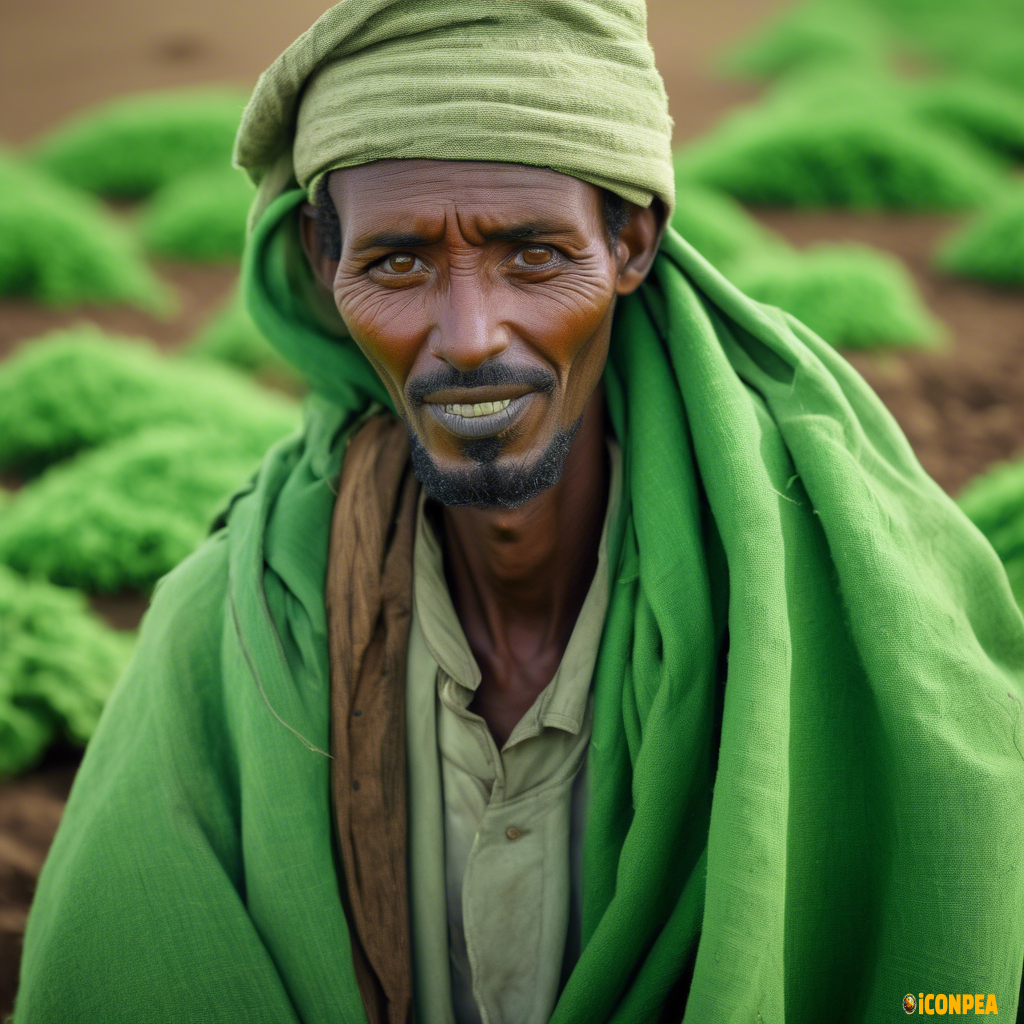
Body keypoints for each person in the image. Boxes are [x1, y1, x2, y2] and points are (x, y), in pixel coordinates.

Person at [14, 2, 1024, 1022]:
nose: (466, 335)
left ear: (630, 243)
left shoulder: (842, 589)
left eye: (533, 255)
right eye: (396, 262)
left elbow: (955, 971)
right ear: (326, 269)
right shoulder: (234, 631)